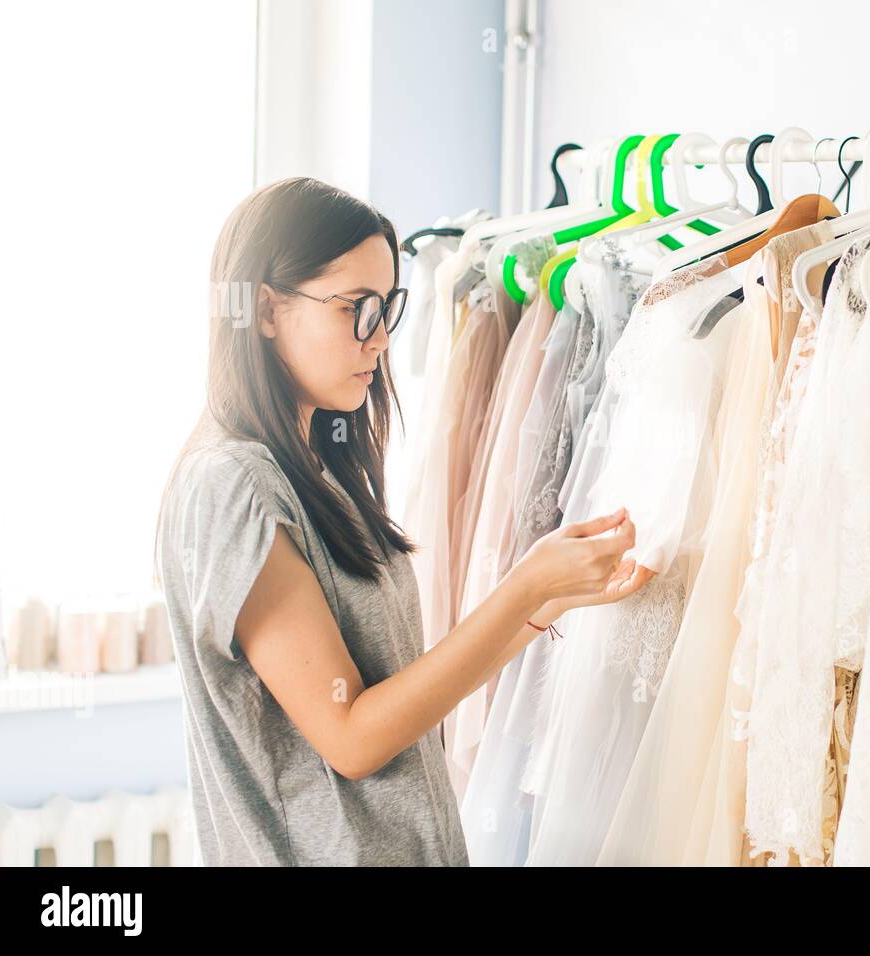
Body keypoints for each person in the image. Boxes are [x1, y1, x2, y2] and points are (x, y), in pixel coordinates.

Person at [155, 177, 645, 866]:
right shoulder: (233, 484)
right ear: (265, 310)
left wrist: (544, 602)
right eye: (355, 308)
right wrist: (523, 590)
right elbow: (351, 737)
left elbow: (399, 691)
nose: (381, 338)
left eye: (388, 308)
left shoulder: (318, 463)